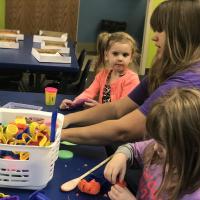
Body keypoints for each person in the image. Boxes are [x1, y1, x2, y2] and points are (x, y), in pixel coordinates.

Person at [61, 0, 200, 145]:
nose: (154, 37)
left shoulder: (184, 83)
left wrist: (60, 134)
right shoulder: (163, 72)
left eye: (160, 30)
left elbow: (123, 130)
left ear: (181, 33)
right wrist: (67, 119)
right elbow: (117, 108)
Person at [104, 88, 200, 200]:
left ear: (193, 145)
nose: (155, 147)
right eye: (155, 140)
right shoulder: (155, 148)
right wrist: (121, 155)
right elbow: (132, 149)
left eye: (163, 144)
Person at [59, 32, 140, 109]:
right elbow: (88, 93)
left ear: (131, 58)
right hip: (102, 116)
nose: (120, 58)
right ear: (106, 55)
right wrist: (73, 103)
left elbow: (122, 108)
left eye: (125, 55)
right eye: (115, 54)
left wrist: (100, 108)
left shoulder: (132, 79)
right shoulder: (103, 74)